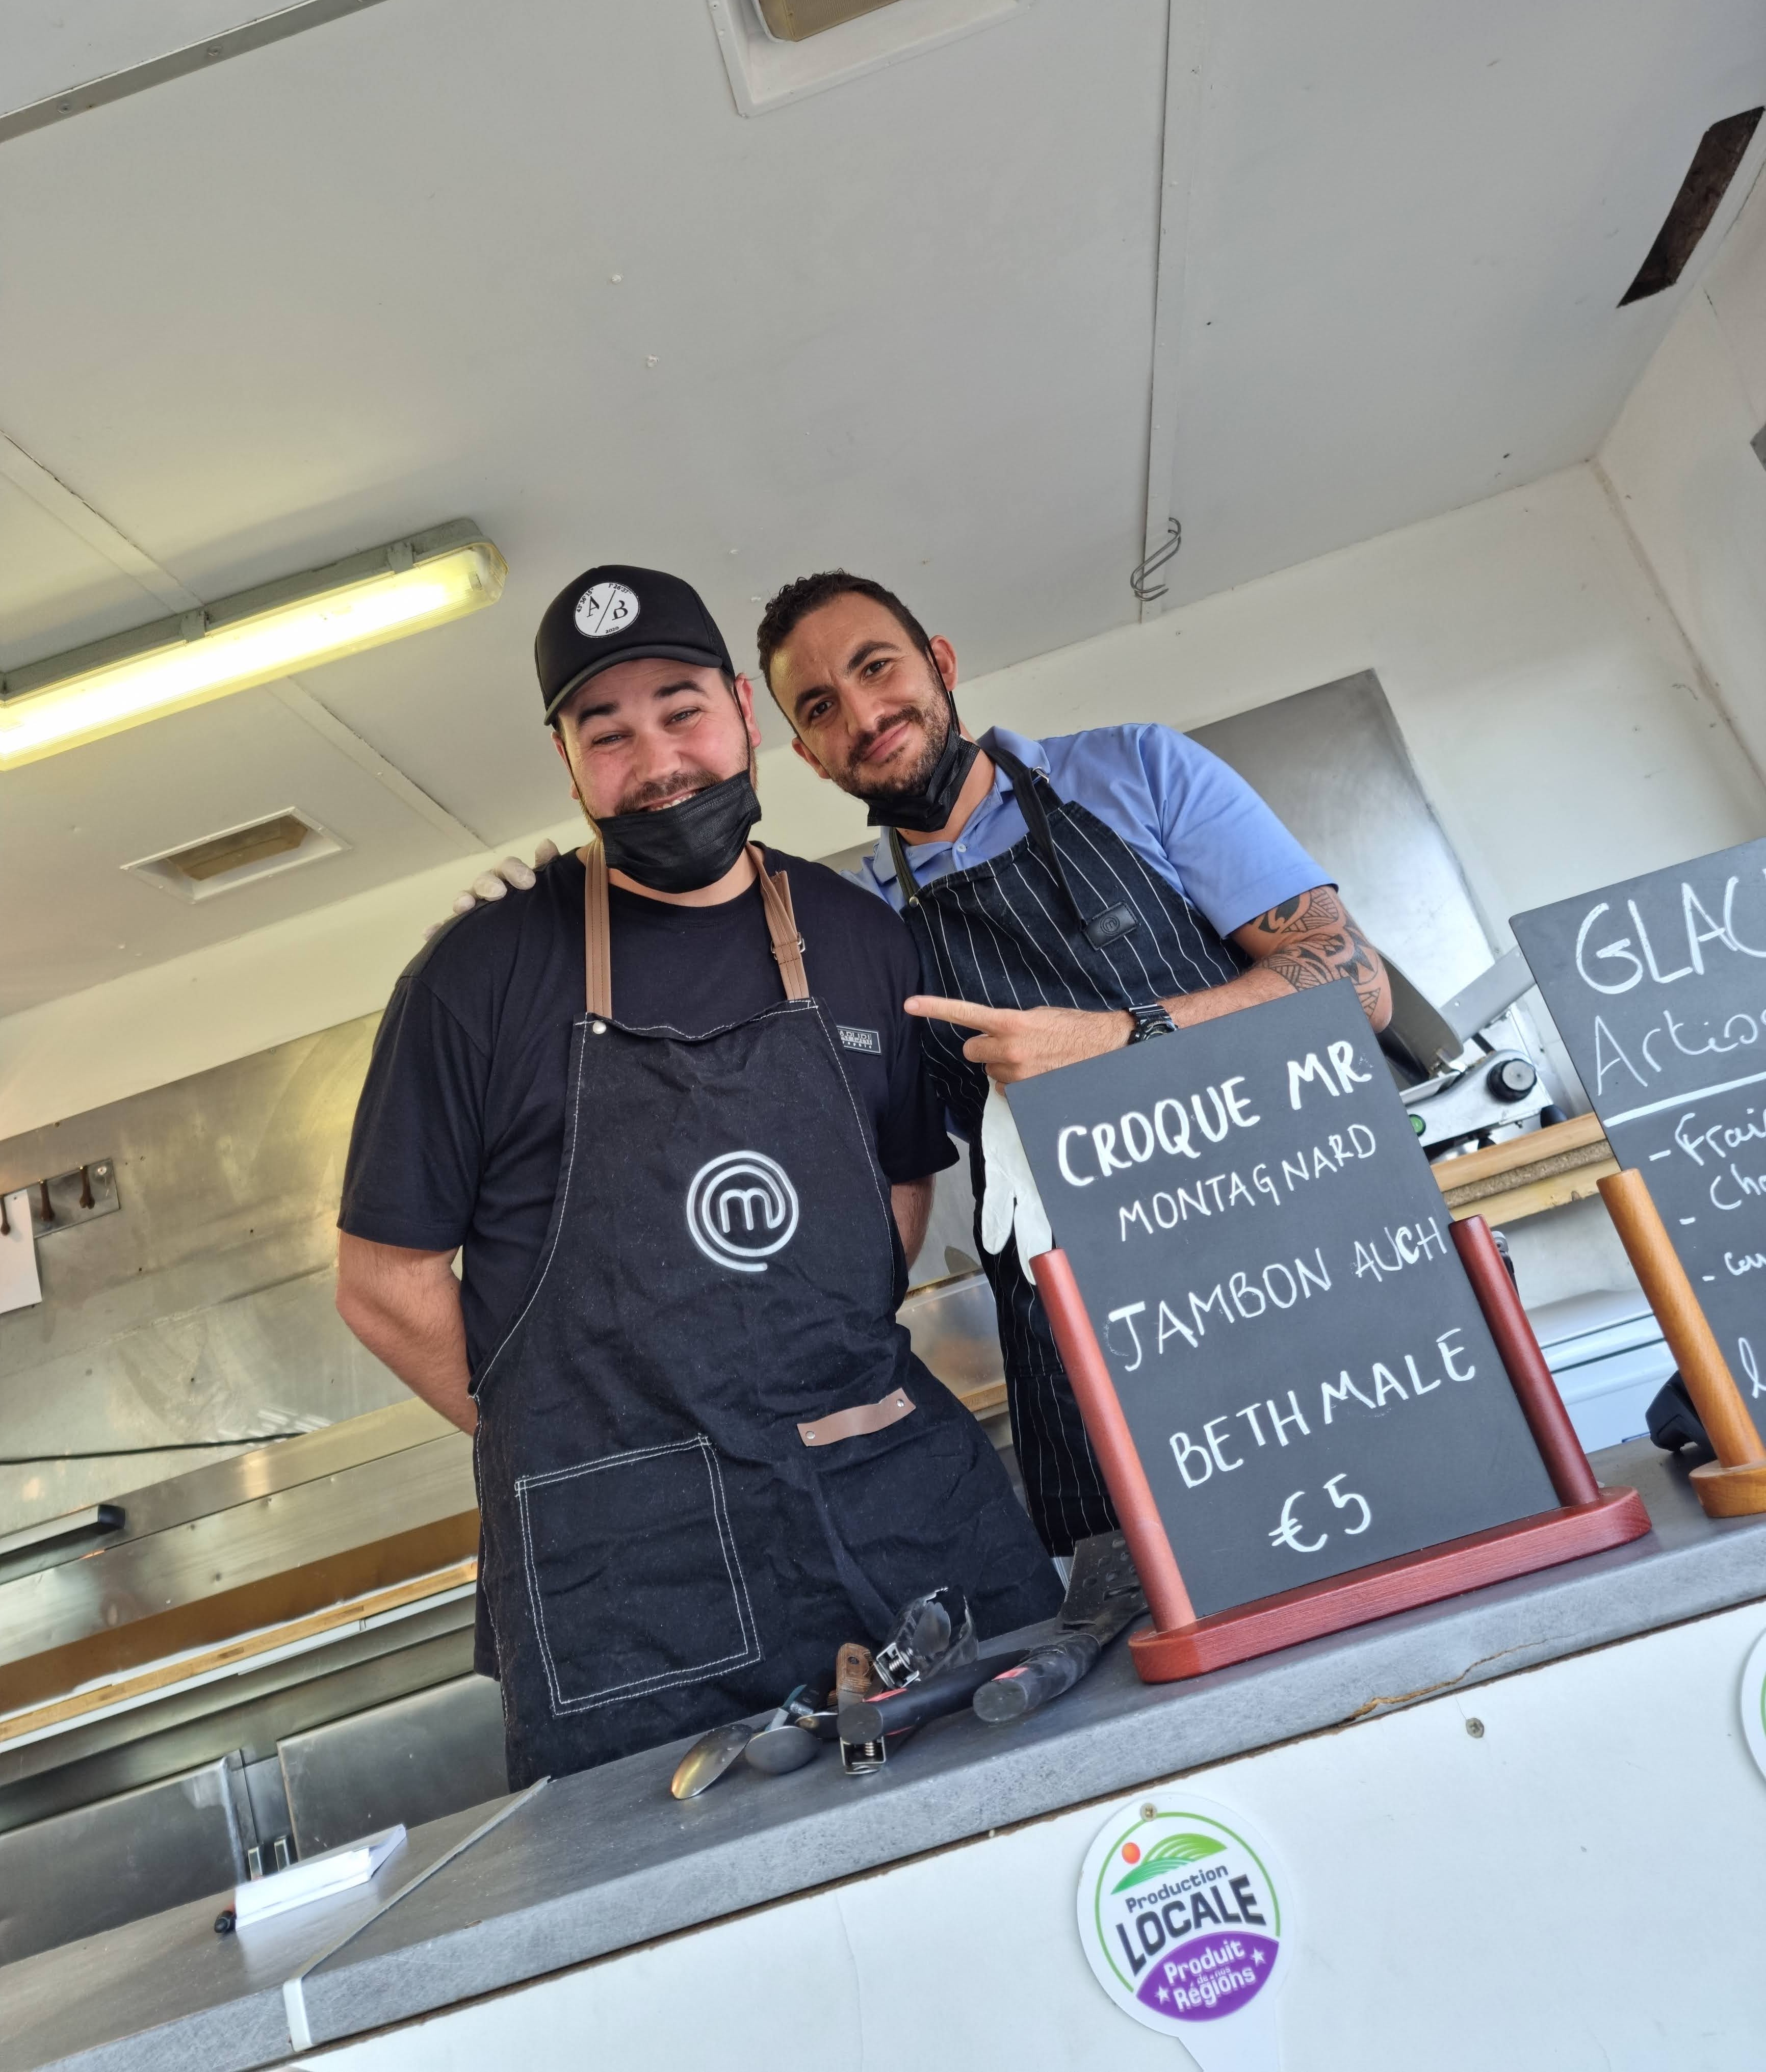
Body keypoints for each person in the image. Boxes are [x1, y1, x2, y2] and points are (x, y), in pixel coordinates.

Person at [334, 565, 1059, 1787]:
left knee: (1014, 1801)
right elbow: (382, 1280)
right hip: (633, 1574)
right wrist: (578, 1452)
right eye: (607, 734)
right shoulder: (479, 973)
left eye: (681, 712)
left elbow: (896, 1185)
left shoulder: (858, 937)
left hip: (884, 1491)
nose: (657, 761)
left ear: (740, 710)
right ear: (568, 764)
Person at [754, 570, 1392, 1556]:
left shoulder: (1137, 771)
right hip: (1092, 1346)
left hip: (1302, 1263)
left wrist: (1119, 1036)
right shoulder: (859, 933)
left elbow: (1355, 984)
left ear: (940, 661)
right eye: (821, 708)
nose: (865, 716)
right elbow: (871, 1162)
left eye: (877, 668)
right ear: (808, 754)